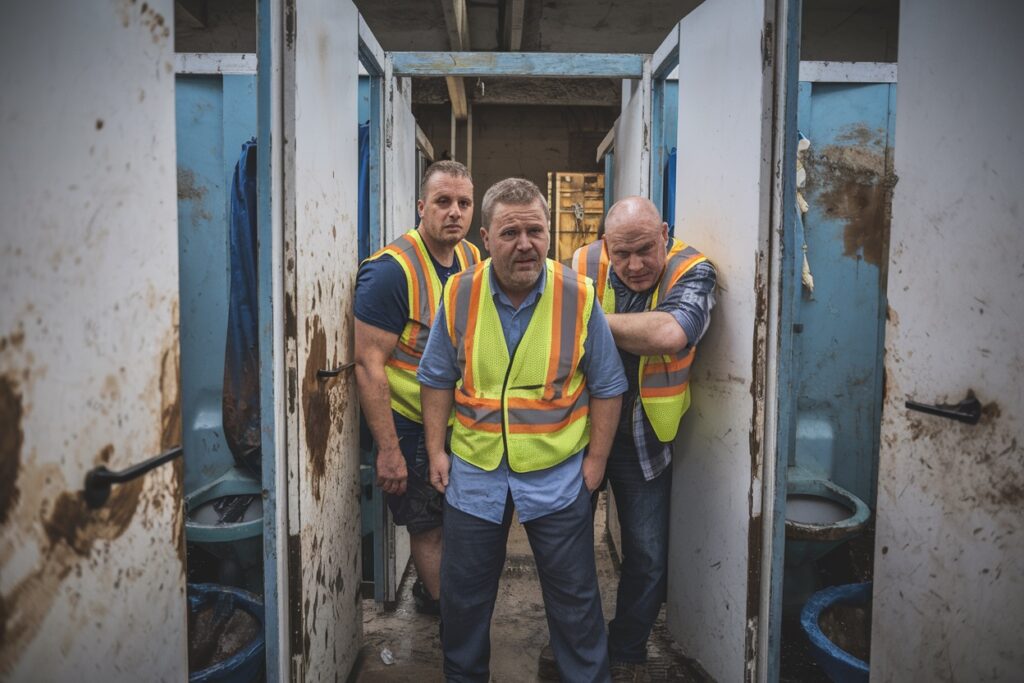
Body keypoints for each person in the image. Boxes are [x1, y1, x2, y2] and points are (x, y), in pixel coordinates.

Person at [418, 177, 627, 682]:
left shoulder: (578, 295)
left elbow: (608, 384)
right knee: (464, 603)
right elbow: (436, 377)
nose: (525, 244)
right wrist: (435, 450)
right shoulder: (460, 292)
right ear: (485, 238)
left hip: (557, 475)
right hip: (475, 473)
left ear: (548, 234)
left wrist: (595, 462)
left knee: (576, 605)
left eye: (535, 230)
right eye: (510, 233)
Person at [571, 196, 716, 679]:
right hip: (581, 434)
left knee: (647, 555)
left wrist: (584, 323)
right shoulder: (582, 262)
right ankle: (579, 647)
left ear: (665, 234)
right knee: (567, 550)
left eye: (644, 251)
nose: (633, 266)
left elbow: (669, 334)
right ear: (604, 243)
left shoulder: (693, 270)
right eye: (621, 252)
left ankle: (628, 649)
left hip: (644, 439)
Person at [354, 160, 480, 614]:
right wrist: (388, 450)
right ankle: (446, 614)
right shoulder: (391, 272)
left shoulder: (468, 257)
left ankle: (443, 597)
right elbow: (368, 366)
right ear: (421, 206)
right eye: (443, 202)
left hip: (456, 419)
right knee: (426, 524)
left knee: (458, 518)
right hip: (406, 424)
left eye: (464, 203)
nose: (454, 212)